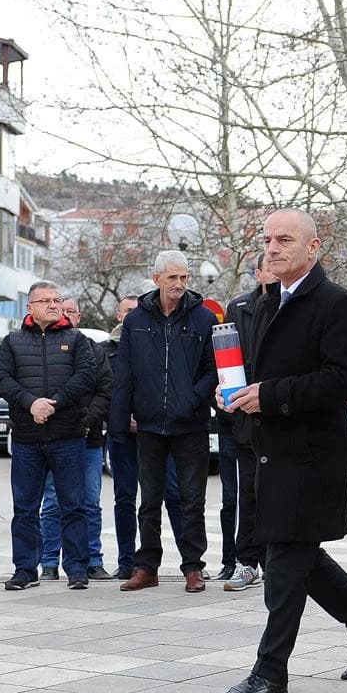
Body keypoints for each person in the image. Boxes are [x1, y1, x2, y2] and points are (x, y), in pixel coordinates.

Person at [212, 208, 347, 693]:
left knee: (286, 562)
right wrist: (232, 395)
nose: (272, 248)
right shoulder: (265, 301)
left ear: (314, 248)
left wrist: (269, 395)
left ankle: (270, 672)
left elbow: (341, 379)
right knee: (292, 555)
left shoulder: (338, 304)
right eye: (268, 239)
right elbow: (252, 371)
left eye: (285, 240)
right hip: (269, 448)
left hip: (313, 454)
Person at [109, 251, 218, 594]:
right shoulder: (136, 321)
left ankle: (193, 567)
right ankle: (147, 567)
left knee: (191, 500)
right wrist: (118, 420)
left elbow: (213, 370)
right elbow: (124, 373)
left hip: (191, 424)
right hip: (149, 425)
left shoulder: (203, 319)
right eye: (173, 278)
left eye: (184, 278)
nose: (180, 285)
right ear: (156, 279)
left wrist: (191, 399)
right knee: (149, 499)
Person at [0, 281, 97, 590]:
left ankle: (77, 569)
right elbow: (1, 380)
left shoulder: (77, 340)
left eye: (57, 300)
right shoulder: (12, 342)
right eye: (46, 300)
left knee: (73, 505)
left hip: (68, 435)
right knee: (24, 507)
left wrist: (54, 404)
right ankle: (25, 569)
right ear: (30, 307)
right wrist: (31, 403)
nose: (53, 305)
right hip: (26, 438)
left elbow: (87, 377)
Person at [105, 295, 184, 580]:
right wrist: (122, 417)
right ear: (118, 316)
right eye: (127, 311)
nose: (132, 316)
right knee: (125, 497)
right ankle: (127, 562)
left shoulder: (156, 342)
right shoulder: (105, 350)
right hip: (123, 435)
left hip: (158, 431)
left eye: (136, 311)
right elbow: (106, 390)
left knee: (172, 495)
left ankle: (190, 563)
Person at [38, 297, 114, 581]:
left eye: (71, 311)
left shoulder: (94, 349)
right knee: (54, 502)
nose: (66, 314)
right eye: (61, 309)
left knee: (89, 502)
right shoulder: (44, 348)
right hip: (54, 436)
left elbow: (105, 389)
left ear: (79, 316)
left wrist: (86, 421)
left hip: (88, 438)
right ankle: (48, 561)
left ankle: (92, 560)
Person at [217, 257, 277, 592]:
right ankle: (247, 562)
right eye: (268, 265)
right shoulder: (239, 307)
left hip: (281, 413)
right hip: (245, 417)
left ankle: (275, 562)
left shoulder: (292, 304)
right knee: (248, 494)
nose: (274, 269)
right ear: (257, 273)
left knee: (278, 493)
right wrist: (223, 390)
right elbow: (228, 358)